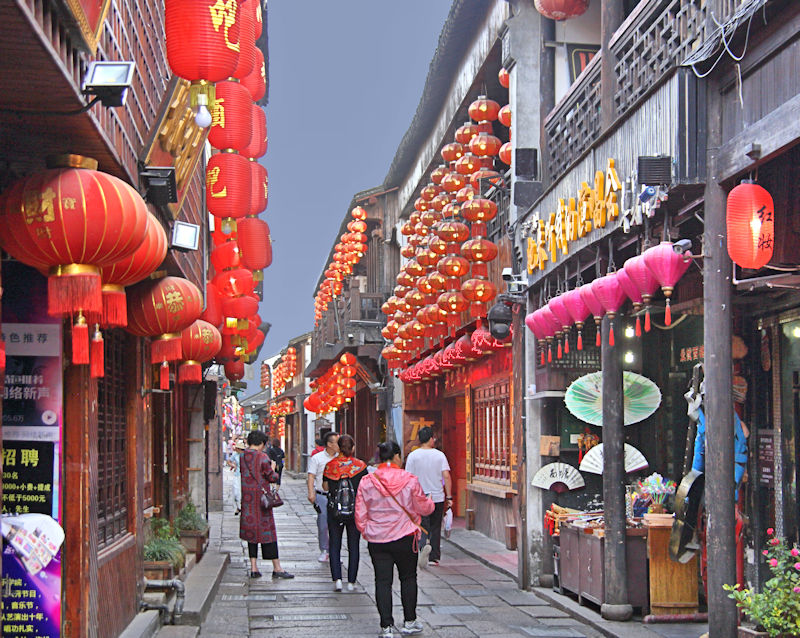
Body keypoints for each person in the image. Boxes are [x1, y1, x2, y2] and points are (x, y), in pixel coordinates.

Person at [355, 441, 433, 637]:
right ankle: (409, 621)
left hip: (377, 539)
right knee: (408, 578)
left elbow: (360, 513)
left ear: (380, 458)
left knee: (382, 581)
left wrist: (367, 530)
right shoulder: (410, 480)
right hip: (405, 537)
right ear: (397, 456)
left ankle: (386, 626)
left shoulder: (367, 481)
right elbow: (424, 508)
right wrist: (430, 502)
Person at [239, 430, 294, 580]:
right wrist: (274, 468)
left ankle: (254, 567)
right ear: (262, 443)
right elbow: (271, 477)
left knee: (252, 533)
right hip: (261, 501)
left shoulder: (242, 456)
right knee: (267, 533)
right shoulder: (262, 457)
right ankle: (277, 567)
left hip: (248, 500)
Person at [322, 434, 368, 592]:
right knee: (353, 545)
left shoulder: (330, 466)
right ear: (353, 448)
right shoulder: (360, 466)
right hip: (355, 510)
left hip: (334, 510)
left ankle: (337, 580)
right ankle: (352, 581)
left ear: (338, 447)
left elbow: (325, 487)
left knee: (334, 544)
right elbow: (365, 488)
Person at [404, 426, 452, 567]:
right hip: (437, 496)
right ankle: (434, 557)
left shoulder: (413, 456)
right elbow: (446, 476)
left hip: (419, 497)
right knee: (435, 526)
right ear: (431, 439)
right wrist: (449, 497)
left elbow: (409, 477)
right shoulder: (439, 455)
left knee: (421, 524)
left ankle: (422, 545)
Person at [306, 431, 339, 562]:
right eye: (337, 442)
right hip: (322, 495)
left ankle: (334, 551)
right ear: (329, 444)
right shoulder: (317, 458)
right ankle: (324, 549)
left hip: (337, 496)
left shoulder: (340, 458)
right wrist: (311, 492)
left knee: (337, 524)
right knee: (323, 523)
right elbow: (311, 476)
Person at [228, 438, 246, 514]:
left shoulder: (246, 455)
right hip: (237, 475)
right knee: (236, 492)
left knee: (242, 493)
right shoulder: (235, 455)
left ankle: (240, 507)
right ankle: (237, 507)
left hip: (244, 476)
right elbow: (229, 461)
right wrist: (233, 465)